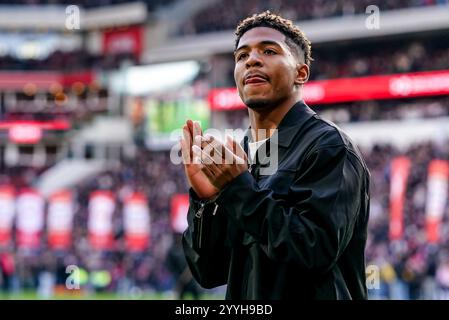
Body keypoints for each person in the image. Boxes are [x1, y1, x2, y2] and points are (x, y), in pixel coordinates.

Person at [180, 11, 370, 300]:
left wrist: (238, 190)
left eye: (269, 51)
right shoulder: (240, 154)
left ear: (301, 73)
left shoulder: (329, 147)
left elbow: (314, 251)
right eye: (241, 56)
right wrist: (206, 202)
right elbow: (208, 272)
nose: (252, 60)